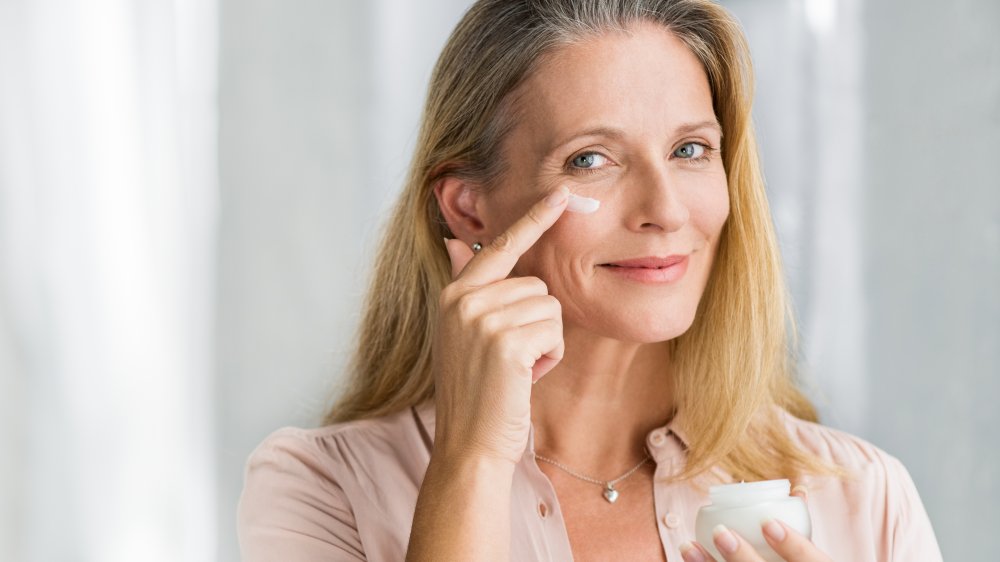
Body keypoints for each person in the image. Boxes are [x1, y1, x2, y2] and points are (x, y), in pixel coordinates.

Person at [237, 1, 943, 560]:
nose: (665, 211)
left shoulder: (865, 501)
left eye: (691, 150)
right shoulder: (324, 491)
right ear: (467, 205)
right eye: (590, 160)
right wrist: (474, 461)